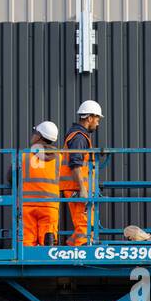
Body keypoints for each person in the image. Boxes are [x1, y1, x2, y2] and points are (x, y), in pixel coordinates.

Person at [60, 100, 103, 246]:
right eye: (97, 119)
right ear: (89, 118)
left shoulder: (79, 136)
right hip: (76, 189)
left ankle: (73, 243)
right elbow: (75, 164)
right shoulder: (79, 137)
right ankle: (82, 252)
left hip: (77, 187)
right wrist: (83, 189)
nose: (98, 123)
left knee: (85, 223)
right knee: (84, 224)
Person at [20, 121, 61, 248]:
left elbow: (10, 177)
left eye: (35, 133)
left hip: (27, 205)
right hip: (50, 206)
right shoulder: (60, 157)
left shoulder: (24, 155)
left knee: (26, 242)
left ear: (39, 136)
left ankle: (25, 265)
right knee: (48, 243)